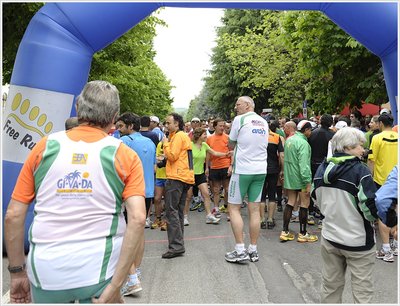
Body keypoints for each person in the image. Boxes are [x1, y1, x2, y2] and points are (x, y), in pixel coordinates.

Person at [4, 80, 146, 304]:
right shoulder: (124, 155)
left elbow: (12, 216)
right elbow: (138, 219)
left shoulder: (43, 147)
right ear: (114, 117)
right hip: (100, 273)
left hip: (46, 273)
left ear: (78, 109)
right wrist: (118, 284)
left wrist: (17, 272)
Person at [312, 127, 378, 303]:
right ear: (348, 147)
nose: (363, 150)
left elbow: (314, 198)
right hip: (358, 240)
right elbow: (370, 209)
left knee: (330, 287)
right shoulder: (360, 171)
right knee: (362, 292)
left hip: (330, 237)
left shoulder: (321, 169)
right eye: (360, 146)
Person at [116, 112, 157, 296]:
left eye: (121, 126)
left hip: (130, 193)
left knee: (125, 234)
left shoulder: (125, 142)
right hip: (147, 191)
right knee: (139, 233)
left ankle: (132, 278)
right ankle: (136, 272)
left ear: (130, 126)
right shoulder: (150, 141)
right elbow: (155, 166)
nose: (118, 130)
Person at [225, 96, 269, 263]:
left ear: (247, 105)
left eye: (238, 104)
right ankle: (253, 250)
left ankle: (240, 250)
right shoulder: (263, 121)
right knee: (255, 210)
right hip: (260, 170)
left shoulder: (240, 119)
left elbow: (230, 144)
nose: (236, 108)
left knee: (234, 208)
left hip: (242, 170)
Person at [161, 112, 195, 258]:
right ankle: (178, 243)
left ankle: (176, 246)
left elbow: (173, 155)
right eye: (166, 123)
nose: (166, 126)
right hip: (184, 177)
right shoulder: (181, 136)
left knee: (172, 211)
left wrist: (165, 144)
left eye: (169, 123)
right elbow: (176, 156)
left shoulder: (177, 137)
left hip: (177, 177)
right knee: (178, 212)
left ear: (177, 124)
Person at [280, 120, 317, 243]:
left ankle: (285, 231)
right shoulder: (303, 143)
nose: (310, 133)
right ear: (306, 130)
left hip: (290, 176)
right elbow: (304, 165)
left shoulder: (289, 140)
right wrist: (308, 182)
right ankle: (303, 233)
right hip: (300, 178)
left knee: (291, 201)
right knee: (305, 204)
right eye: (310, 130)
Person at [368, 113, 398, 262]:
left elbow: (371, 160)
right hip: (396, 179)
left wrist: (368, 179)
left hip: (382, 180)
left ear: (380, 123)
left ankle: (386, 249)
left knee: (383, 215)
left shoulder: (377, 138)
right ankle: (396, 245)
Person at [186, 127, 233, 224]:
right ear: (199, 135)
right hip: (190, 174)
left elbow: (214, 153)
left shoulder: (204, 145)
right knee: (187, 197)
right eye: (204, 134)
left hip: (200, 174)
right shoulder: (190, 145)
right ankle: (184, 217)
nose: (206, 136)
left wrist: (226, 154)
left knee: (206, 194)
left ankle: (208, 216)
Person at [307, 114, 335, 228]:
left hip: (313, 164)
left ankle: (310, 214)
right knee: (325, 191)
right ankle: (322, 217)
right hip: (327, 166)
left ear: (320, 122)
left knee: (311, 188)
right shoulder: (334, 135)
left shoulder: (312, 133)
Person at [205, 118, 232, 219]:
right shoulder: (210, 139)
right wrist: (207, 167)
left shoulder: (228, 138)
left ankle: (229, 209)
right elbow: (208, 153)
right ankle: (216, 209)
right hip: (214, 167)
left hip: (225, 165)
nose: (222, 128)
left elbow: (232, 152)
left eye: (223, 126)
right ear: (215, 126)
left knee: (227, 189)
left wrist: (231, 166)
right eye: (220, 126)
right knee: (215, 190)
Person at [260, 119, 284, 229]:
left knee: (261, 195)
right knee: (272, 194)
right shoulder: (276, 136)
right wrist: (282, 169)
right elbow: (282, 155)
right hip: (273, 168)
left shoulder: (257, 137)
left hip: (260, 169)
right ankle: (270, 219)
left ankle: (261, 219)